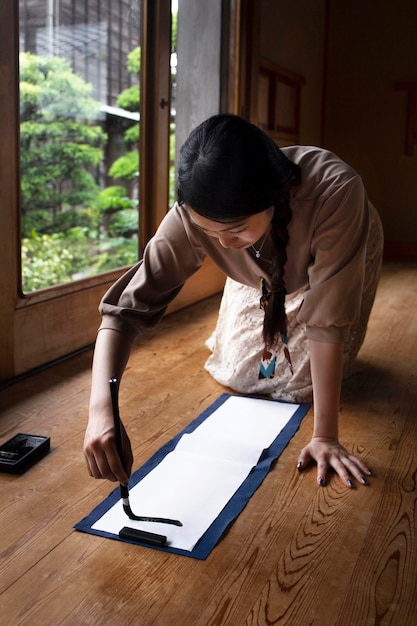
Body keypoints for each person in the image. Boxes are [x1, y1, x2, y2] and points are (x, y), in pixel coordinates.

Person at [84, 113, 383, 490]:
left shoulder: (336, 191)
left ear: (272, 199)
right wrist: (101, 410)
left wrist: (325, 435)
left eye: (234, 228)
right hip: (257, 269)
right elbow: (124, 312)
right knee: (243, 375)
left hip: (339, 258)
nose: (221, 243)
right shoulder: (200, 219)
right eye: (209, 232)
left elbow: (326, 322)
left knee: (300, 388)